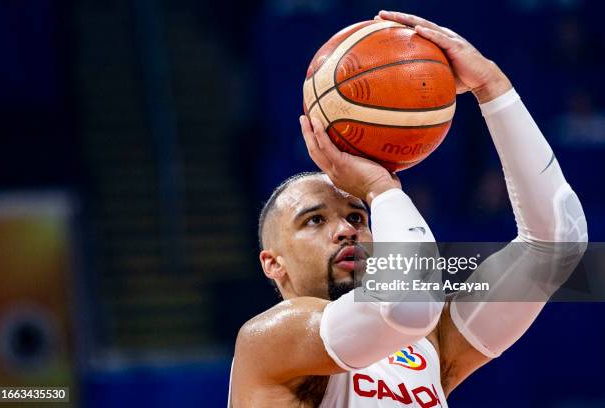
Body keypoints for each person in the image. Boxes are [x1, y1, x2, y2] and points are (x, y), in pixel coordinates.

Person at [229, 10, 588, 407]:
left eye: (357, 216)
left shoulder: (429, 345)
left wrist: (492, 87)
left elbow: (557, 246)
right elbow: (409, 302)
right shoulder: (269, 341)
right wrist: (379, 188)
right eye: (314, 219)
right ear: (271, 262)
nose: (346, 230)